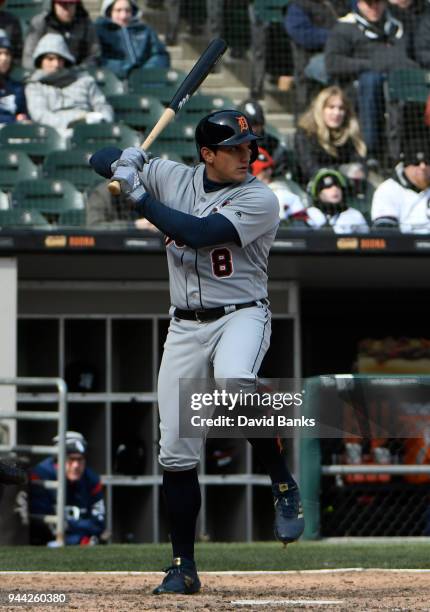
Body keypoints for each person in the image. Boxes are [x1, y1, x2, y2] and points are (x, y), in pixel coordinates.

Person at [89, 109, 305, 594]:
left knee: (233, 384)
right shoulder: (173, 175)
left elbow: (200, 234)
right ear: (207, 154)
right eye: (235, 148)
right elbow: (96, 157)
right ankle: (182, 567)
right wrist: (124, 159)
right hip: (184, 324)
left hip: (241, 313)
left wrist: (139, 194)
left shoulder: (259, 197)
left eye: (249, 146)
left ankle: (283, 482)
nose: (247, 154)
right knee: (175, 451)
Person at [325, 0, 418, 161]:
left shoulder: (397, 25)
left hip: (396, 83)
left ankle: (408, 149)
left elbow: (409, 57)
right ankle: (370, 149)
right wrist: (370, 65)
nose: (374, 8)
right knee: (371, 80)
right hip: (358, 88)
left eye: (379, 3)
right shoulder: (345, 27)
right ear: (359, 3)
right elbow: (333, 63)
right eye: (369, 4)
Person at [25, 33, 113, 140]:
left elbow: (102, 105)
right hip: (54, 133)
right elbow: (41, 115)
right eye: (50, 59)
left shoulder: (84, 80)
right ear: (41, 61)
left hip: (90, 129)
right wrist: (72, 123)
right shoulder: (34, 86)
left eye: (60, 59)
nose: (56, 64)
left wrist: (101, 119)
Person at [29, 431, 106, 546]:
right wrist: (79, 539)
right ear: (57, 460)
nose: (76, 466)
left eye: (80, 460)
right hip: (44, 544)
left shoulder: (92, 479)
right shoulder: (41, 475)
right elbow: (40, 524)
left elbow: (98, 524)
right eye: (70, 459)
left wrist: (67, 525)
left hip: (80, 540)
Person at [295, 86, 367, 184]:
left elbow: (359, 163)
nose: (337, 113)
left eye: (341, 108)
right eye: (331, 107)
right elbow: (310, 169)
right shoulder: (305, 134)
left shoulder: (349, 134)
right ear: (321, 109)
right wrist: (341, 170)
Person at [284, 0, 349, 107]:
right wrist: (335, 36)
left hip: (344, 54)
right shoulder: (298, 6)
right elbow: (303, 35)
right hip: (312, 58)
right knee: (340, 69)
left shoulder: (340, 3)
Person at [96, 0, 170, 80]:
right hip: (111, 81)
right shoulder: (99, 31)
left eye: (127, 11)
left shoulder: (145, 30)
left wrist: (144, 71)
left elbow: (160, 55)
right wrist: (126, 69)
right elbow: (97, 59)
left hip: (144, 80)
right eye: (118, 10)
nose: (123, 16)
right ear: (109, 11)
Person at [371, 133, 430, 232]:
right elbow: (386, 234)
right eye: (416, 163)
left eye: (428, 162)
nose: (423, 167)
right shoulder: (388, 189)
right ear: (406, 165)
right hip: (404, 246)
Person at [22, 0, 100, 71]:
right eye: (62, 4)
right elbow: (28, 58)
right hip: (44, 74)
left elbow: (94, 54)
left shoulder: (85, 23)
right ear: (52, 4)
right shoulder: (40, 23)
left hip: (76, 74)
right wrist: (43, 72)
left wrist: (77, 70)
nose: (67, 9)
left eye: (71, 4)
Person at [251, 146, 309, 220]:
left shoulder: (283, 189)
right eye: (263, 170)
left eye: (267, 168)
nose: (268, 171)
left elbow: (306, 203)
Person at [305, 167, 369, 233]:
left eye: (338, 186)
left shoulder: (354, 215)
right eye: (328, 186)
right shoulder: (309, 214)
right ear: (317, 193)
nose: (335, 189)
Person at [239, 98, 291, 175]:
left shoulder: (273, 144)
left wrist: (269, 172)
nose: (254, 129)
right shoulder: (231, 146)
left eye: (257, 124)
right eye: (249, 125)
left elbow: (280, 167)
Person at [0, 30, 28, 124]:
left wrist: (23, 118)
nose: (4, 58)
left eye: (7, 54)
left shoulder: (17, 87)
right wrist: (14, 119)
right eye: (0, 53)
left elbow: (24, 113)